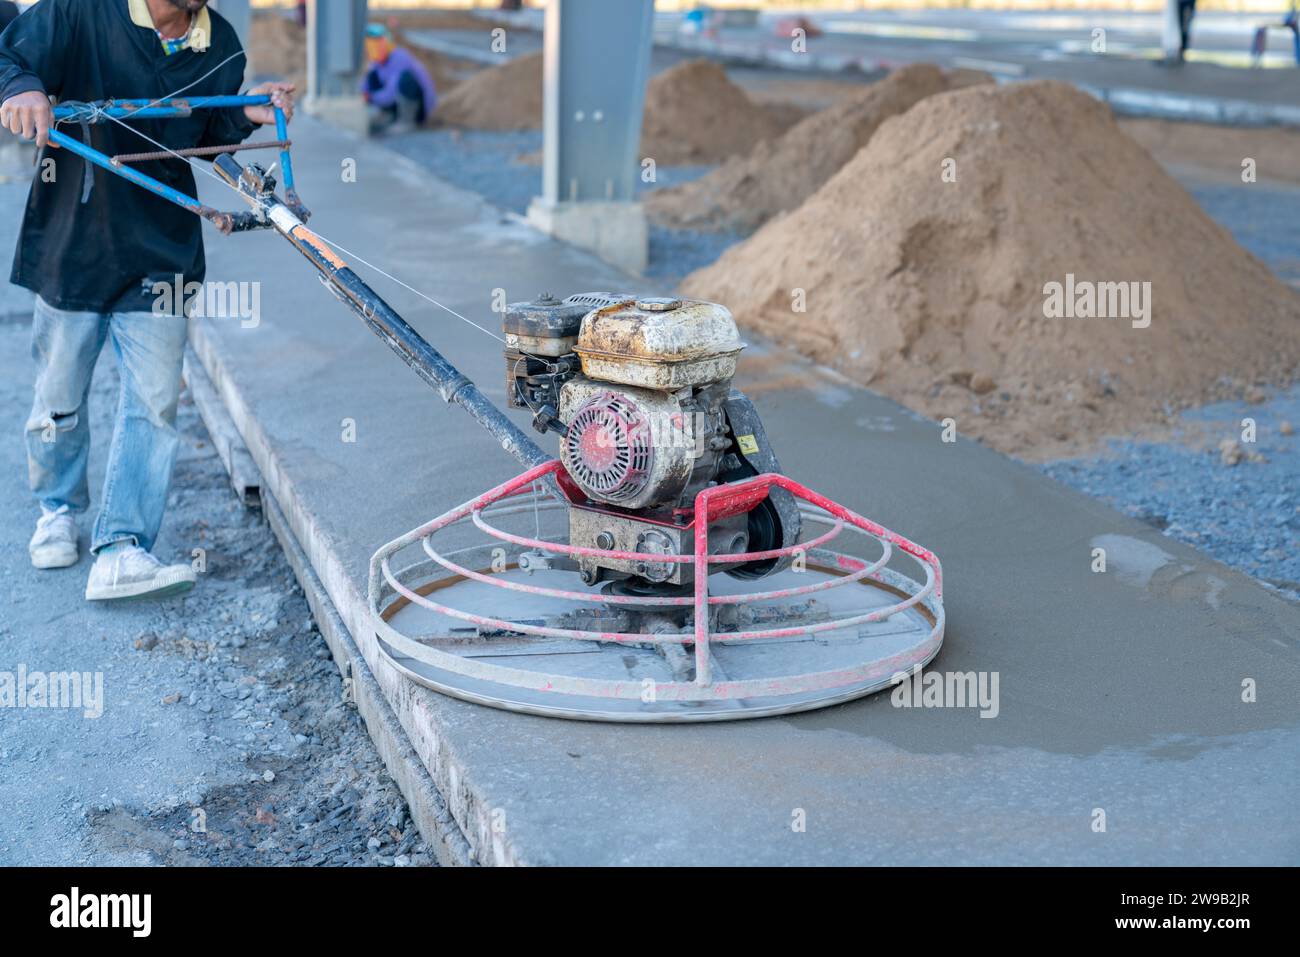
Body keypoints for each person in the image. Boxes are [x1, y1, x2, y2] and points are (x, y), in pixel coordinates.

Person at [0, 0, 294, 601]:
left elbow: (206, 138)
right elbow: (10, 53)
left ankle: (122, 546)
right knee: (58, 398)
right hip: (72, 242)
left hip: (163, 250)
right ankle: (56, 509)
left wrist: (247, 114)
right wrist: (25, 87)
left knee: (155, 403)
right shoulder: (80, 12)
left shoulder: (223, 44)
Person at [360, 23, 437, 134]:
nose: (372, 48)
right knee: (372, 75)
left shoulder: (400, 58)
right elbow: (366, 84)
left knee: (406, 79)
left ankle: (407, 121)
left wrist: (371, 97)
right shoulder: (378, 62)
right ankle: (387, 114)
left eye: (376, 43)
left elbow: (391, 94)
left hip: (420, 109)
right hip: (397, 103)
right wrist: (361, 94)